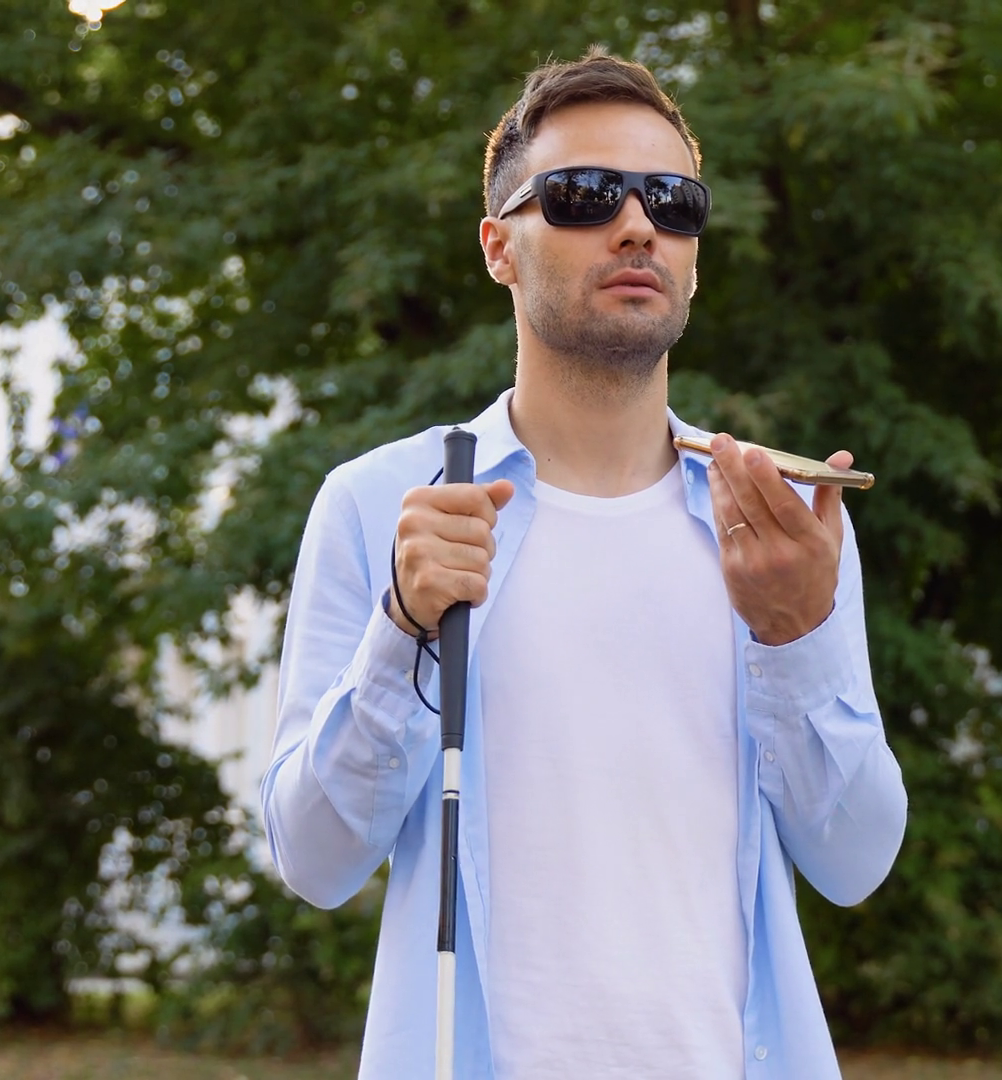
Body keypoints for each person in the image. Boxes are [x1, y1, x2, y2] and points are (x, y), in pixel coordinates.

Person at [261, 48, 908, 1080]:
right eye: (583, 195)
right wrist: (401, 629)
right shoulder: (384, 506)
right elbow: (315, 861)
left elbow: (856, 861)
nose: (638, 224)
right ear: (498, 247)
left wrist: (796, 638)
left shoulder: (781, 523)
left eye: (673, 202)